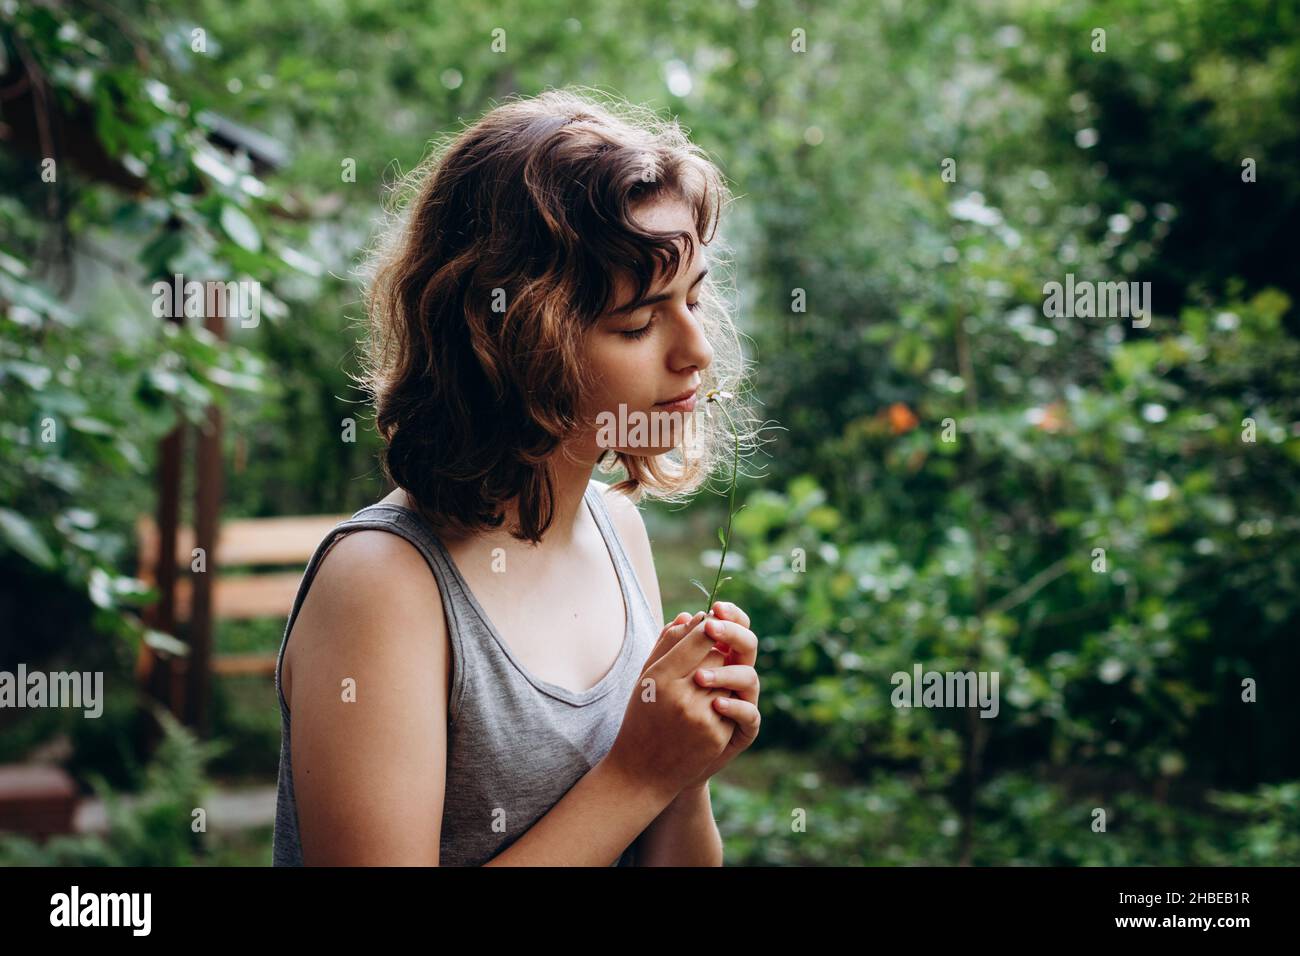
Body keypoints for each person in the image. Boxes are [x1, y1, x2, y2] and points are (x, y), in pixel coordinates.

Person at [272, 87, 762, 866]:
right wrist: (640, 771)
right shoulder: (385, 586)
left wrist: (683, 758)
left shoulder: (618, 531)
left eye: (694, 300)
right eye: (637, 321)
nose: (696, 350)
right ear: (516, 342)